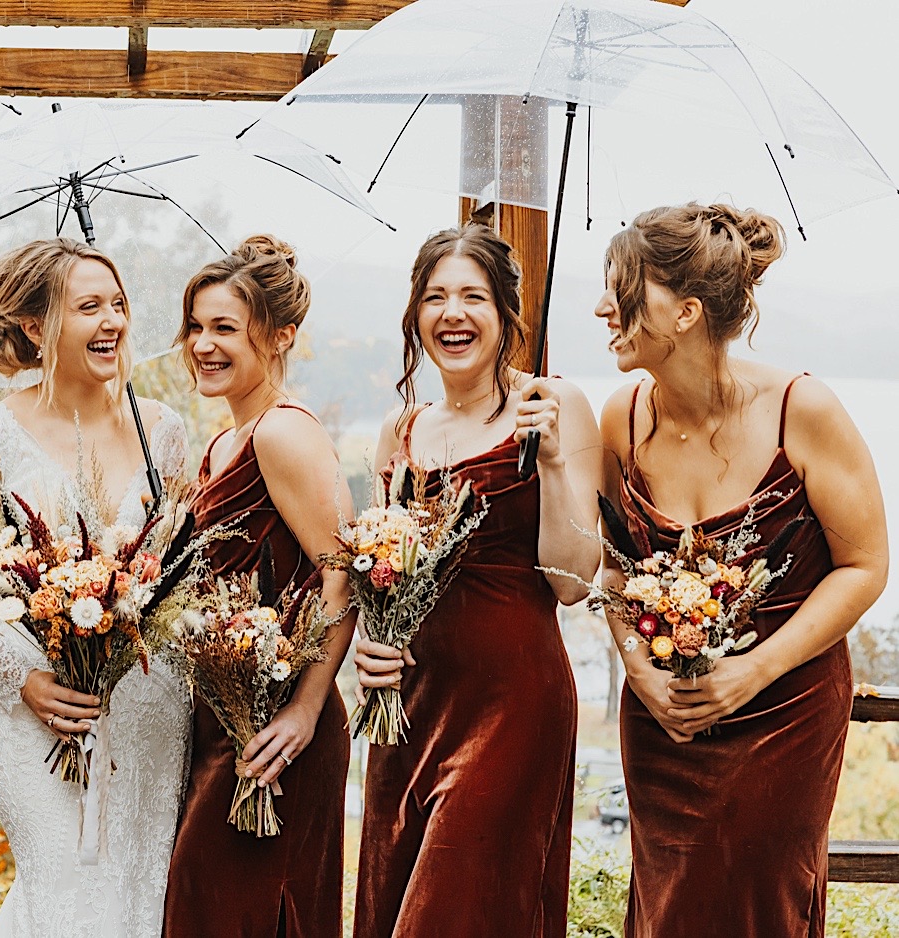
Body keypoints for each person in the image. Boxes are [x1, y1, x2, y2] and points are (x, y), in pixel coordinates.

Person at [595, 203, 887, 935]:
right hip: (666, 721)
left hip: (783, 714)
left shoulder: (804, 410)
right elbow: (610, 570)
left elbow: (865, 566)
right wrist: (638, 670)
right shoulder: (619, 418)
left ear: (686, 312)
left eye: (624, 290)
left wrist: (751, 673)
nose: (604, 307)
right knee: (667, 906)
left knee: (763, 903)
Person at [0, 238, 191, 937]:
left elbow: (185, 570)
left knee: (142, 891)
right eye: (88, 307)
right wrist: (25, 678)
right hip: (42, 711)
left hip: (150, 706)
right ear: (38, 326)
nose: (112, 322)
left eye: (118, 304)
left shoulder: (164, 430)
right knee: (64, 888)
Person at [351, 225, 600, 937]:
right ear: (414, 315)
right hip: (408, 706)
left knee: (459, 909)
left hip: (512, 702)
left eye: (472, 296)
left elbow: (573, 582)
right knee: (398, 898)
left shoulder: (554, 407)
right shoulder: (399, 430)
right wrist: (374, 649)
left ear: (506, 314)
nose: (452, 314)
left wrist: (552, 463)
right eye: (434, 297)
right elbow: (381, 581)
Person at [162, 235, 354, 938]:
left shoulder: (283, 434)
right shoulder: (220, 444)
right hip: (225, 720)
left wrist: (304, 710)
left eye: (223, 328)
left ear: (279, 337)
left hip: (280, 731)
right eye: (195, 326)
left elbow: (345, 572)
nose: (202, 345)